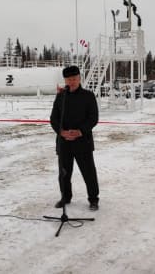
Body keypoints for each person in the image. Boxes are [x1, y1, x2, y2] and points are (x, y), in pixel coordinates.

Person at [50, 65, 100, 211]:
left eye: (74, 79)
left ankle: (93, 199)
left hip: (83, 142)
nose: (71, 82)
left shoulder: (88, 96)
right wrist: (61, 132)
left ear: (79, 78)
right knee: (64, 174)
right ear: (65, 80)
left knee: (89, 172)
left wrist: (80, 131)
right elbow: (53, 118)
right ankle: (65, 197)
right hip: (64, 143)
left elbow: (93, 118)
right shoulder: (61, 97)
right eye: (68, 79)